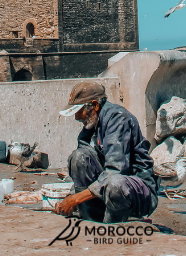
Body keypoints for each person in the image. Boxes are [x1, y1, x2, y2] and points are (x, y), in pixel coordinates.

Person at [54, 81, 160, 223]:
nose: (77, 117)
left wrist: (74, 200)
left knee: (114, 183)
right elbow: (84, 165)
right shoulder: (92, 123)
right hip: (108, 189)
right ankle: (90, 222)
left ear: (95, 106)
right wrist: (69, 199)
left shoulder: (118, 118)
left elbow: (114, 172)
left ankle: (113, 228)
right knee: (78, 158)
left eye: (80, 111)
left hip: (137, 192)